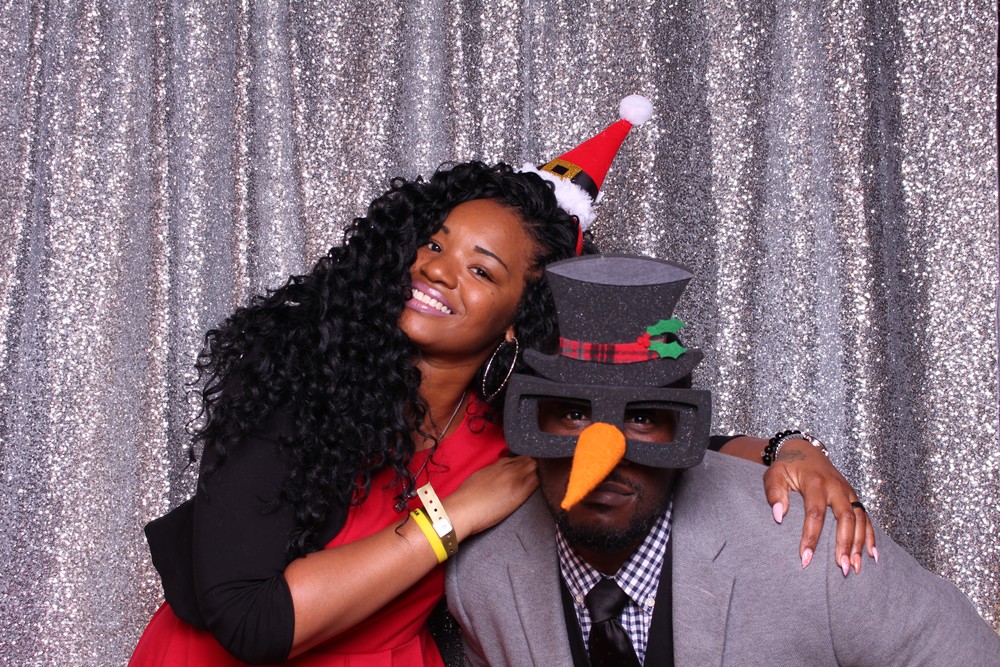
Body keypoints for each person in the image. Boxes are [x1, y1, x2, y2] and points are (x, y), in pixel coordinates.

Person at [131, 101, 870, 666]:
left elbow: (656, 438)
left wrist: (785, 450)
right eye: (435, 243)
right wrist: (449, 517)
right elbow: (252, 620)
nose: (436, 270)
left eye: (481, 270)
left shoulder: (513, 423)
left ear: (521, 319)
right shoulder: (304, 384)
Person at [445, 253, 1000, 666]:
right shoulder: (482, 579)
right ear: (530, 422)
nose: (604, 457)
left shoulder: (811, 553)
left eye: (642, 418)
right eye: (572, 415)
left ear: (682, 431)